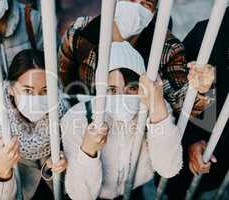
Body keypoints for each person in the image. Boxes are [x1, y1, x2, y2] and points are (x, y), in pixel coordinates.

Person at [61, 41, 183, 200]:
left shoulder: (155, 108)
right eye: (112, 90)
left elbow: (169, 169)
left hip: (134, 188)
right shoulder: (77, 118)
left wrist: (157, 110)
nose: (122, 98)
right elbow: (81, 195)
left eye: (132, 88)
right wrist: (88, 151)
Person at [58, 0, 213, 116]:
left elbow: (182, 104)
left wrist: (201, 89)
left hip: (138, 135)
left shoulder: (168, 47)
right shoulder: (80, 32)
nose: (136, 7)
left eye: (145, 4)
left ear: (154, 13)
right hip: (89, 122)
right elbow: (63, 86)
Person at [0, 49, 68, 200]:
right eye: (28, 91)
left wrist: (61, 165)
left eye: (45, 91)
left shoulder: (63, 114)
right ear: (11, 88)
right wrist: (2, 170)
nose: (36, 99)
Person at [165, 8, 229, 200]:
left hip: (222, 164)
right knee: (174, 187)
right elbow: (176, 89)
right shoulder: (208, 32)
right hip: (186, 149)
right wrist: (191, 140)